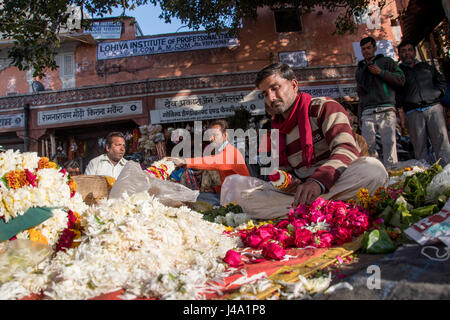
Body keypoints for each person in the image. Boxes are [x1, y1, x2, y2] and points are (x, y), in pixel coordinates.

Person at [221, 63, 388, 219]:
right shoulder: (274, 131)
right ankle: (326, 208)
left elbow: (346, 149)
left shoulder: (323, 107)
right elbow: (284, 173)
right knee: (233, 185)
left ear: (294, 85)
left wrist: (318, 182)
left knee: (373, 170)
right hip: (300, 194)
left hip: (337, 181)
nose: (270, 98)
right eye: (265, 94)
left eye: (275, 88)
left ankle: (308, 210)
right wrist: (288, 182)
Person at [167, 119, 250, 205]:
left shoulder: (231, 152)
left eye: (215, 135)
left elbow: (212, 161)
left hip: (241, 198)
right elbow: (229, 183)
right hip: (233, 195)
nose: (211, 138)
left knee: (195, 199)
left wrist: (185, 161)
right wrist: (216, 189)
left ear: (225, 135)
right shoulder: (222, 151)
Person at [396, 40, 450, 167]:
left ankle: (447, 171)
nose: (407, 53)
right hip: (413, 112)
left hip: (434, 108)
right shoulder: (399, 72)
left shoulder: (426, 67)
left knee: (442, 142)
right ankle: (426, 174)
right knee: (419, 147)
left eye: (409, 50)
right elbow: (396, 92)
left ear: (414, 52)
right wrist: (404, 103)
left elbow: (441, 81)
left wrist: (437, 94)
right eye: (403, 51)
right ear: (399, 55)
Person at [355, 36, 405, 169]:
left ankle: (393, 172)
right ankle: (375, 173)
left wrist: (381, 72)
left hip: (386, 109)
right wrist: (360, 115)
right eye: (363, 49)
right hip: (367, 112)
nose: (366, 51)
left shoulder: (386, 62)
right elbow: (360, 93)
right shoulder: (360, 69)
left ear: (375, 48)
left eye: (368, 48)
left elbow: (401, 80)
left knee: (389, 144)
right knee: (368, 147)